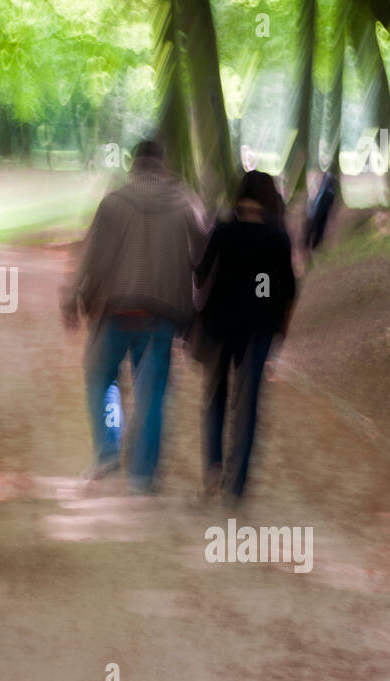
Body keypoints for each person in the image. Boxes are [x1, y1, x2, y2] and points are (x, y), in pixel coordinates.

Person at [61, 139, 205, 493]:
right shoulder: (186, 205)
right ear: (163, 164)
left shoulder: (113, 203)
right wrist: (197, 310)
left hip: (115, 307)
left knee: (102, 378)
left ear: (133, 165)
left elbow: (91, 254)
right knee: (153, 392)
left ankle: (109, 446)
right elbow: (203, 257)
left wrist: (73, 297)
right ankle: (143, 476)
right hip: (162, 313)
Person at [193, 170, 297, 502]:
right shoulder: (278, 238)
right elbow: (289, 291)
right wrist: (281, 329)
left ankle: (213, 464)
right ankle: (236, 486)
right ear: (268, 199)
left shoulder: (223, 230)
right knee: (248, 404)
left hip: (221, 324)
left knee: (216, 398)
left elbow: (199, 274)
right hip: (259, 328)